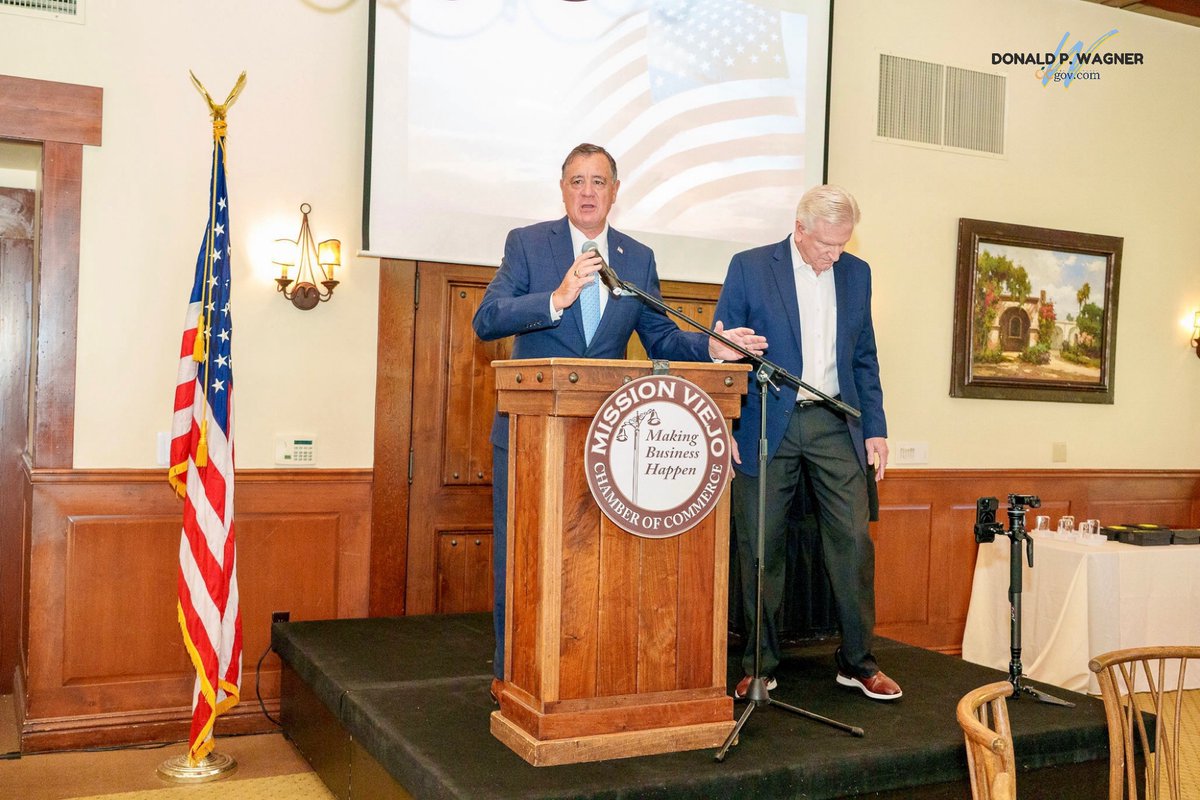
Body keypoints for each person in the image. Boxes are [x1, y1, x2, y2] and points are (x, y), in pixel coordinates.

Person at [472, 143, 766, 703]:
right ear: (563, 190)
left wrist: (711, 347)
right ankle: (514, 675)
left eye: (599, 182)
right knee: (525, 562)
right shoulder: (529, 244)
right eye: (578, 181)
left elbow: (660, 339)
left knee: (591, 564)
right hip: (532, 437)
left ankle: (586, 674)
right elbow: (486, 319)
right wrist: (555, 298)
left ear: (614, 191)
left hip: (607, 440)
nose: (588, 191)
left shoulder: (636, 258)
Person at [713, 184, 901, 702]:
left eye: (843, 245)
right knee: (760, 545)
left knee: (854, 542)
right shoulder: (751, 267)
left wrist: (877, 428)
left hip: (834, 420)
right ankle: (760, 664)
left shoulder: (856, 274)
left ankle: (857, 660)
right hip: (766, 419)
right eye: (826, 245)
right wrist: (724, 425)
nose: (835, 255)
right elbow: (724, 353)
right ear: (800, 230)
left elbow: (865, 356)